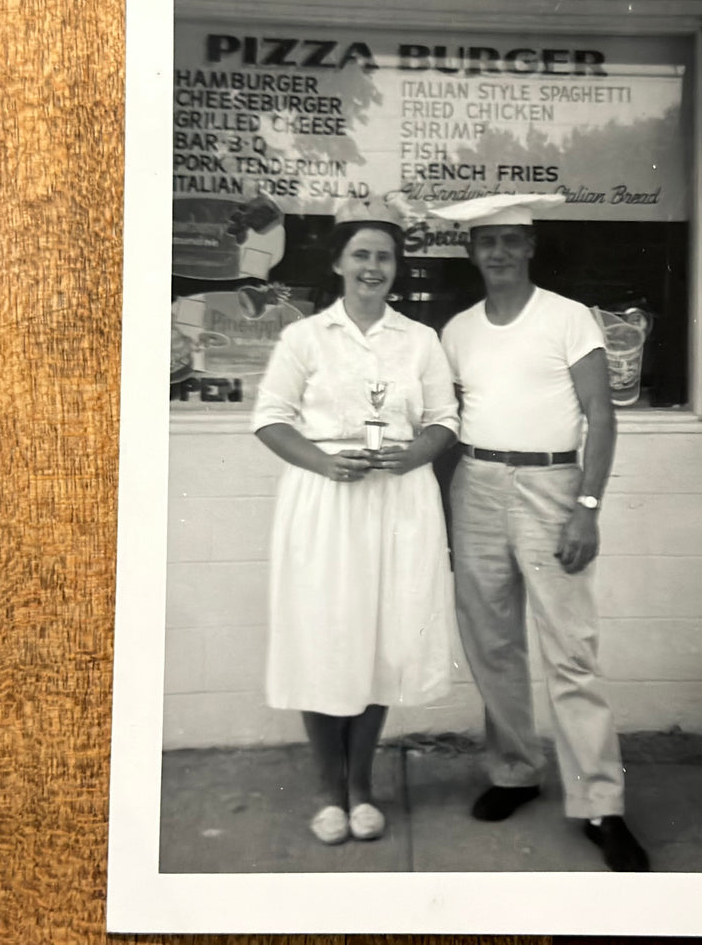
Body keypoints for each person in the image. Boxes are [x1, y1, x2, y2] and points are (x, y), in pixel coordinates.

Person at [432, 193, 650, 873]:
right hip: (476, 484)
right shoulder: (458, 330)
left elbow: (602, 418)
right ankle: (514, 772)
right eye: (485, 242)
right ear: (472, 252)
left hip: (554, 488)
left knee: (570, 650)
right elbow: (445, 422)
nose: (497, 253)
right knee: (491, 643)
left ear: (529, 248)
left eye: (509, 241)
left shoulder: (567, 318)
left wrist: (587, 504)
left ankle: (601, 803)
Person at [250, 195, 460, 846]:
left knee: (378, 641)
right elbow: (269, 418)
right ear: (339, 263)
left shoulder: (420, 339)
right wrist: (321, 461)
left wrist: (413, 454)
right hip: (326, 503)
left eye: (385, 256)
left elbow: (445, 420)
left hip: (398, 502)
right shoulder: (304, 337)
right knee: (323, 638)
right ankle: (327, 791)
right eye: (361, 255)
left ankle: (362, 787)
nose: (373, 267)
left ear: (397, 267)